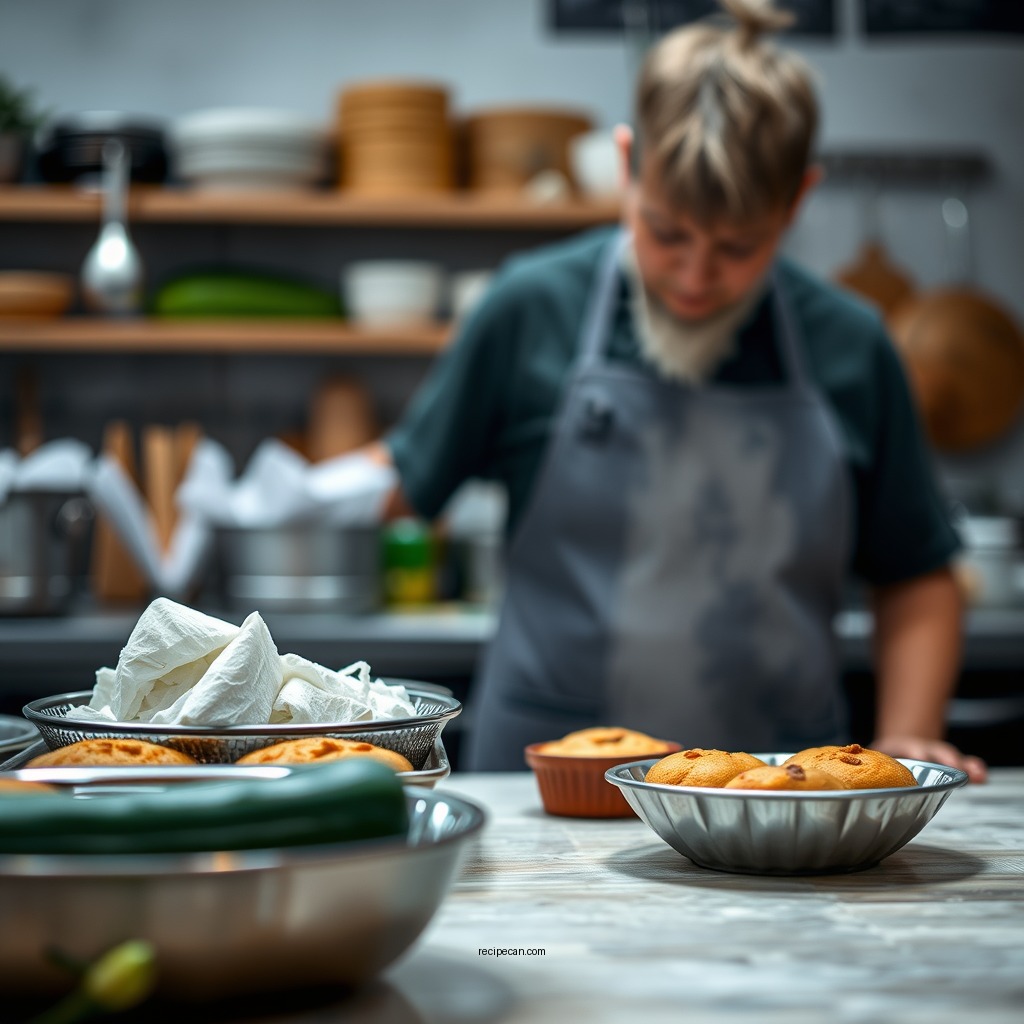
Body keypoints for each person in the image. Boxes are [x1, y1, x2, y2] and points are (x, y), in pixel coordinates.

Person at [369, 0, 987, 780]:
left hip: (781, 787)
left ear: (797, 200)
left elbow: (918, 574)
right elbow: (404, 491)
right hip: (549, 785)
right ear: (627, 167)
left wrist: (908, 734)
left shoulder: (852, 344)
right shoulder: (528, 308)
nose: (696, 277)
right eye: (666, 232)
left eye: (737, 246)